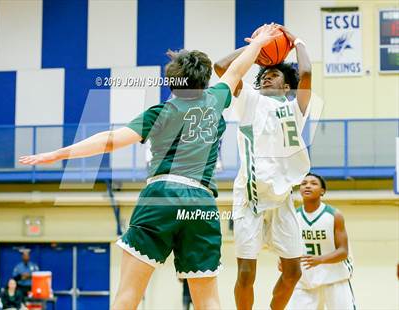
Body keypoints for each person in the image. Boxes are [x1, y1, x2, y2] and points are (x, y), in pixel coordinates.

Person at [19, 24, 282, 309]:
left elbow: (109, 141)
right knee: (208, 301)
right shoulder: (216, 99)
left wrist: (57, 154)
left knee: (128, 295)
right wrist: (261, 42)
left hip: (161, 196)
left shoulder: (160, 112)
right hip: (202, 202)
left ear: (172, 81)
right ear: (204, 80)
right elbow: (236, 71)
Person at [214, 25, 312, 310]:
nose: (267, 77)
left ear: (286, 86)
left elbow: (306, 74)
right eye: (264, 75)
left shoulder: (296, 108)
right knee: (246, 272)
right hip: (250, 197)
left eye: (274, 75)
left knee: (293, 272)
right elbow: (221, 67)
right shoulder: (249, 101)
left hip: (282, 198)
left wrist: (298, 41)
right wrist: (256, 46)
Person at [284, 173, 356, 310]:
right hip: (305, 281)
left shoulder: (334, 215)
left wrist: (320, 260)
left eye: (313, 183)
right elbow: (289, 247)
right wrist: (284, 260)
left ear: (322, 191)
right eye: (304, 183)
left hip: (335, 278)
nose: (308, 186)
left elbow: (343, 252)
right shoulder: (294, 216)